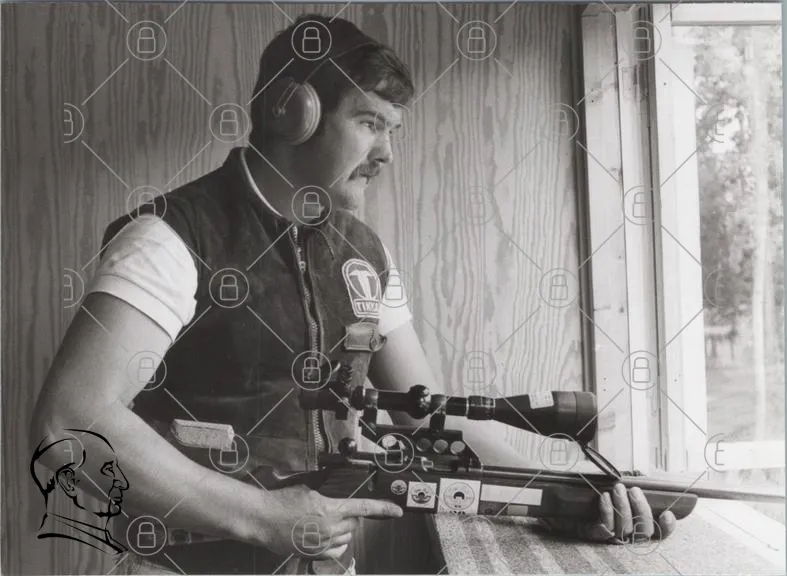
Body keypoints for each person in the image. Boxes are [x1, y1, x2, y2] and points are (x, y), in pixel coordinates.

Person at [30, 13, 676, 575]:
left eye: (393, 129)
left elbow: (427, 417)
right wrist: (261, 516)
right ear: (294, 113)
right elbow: (72, 422)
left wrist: (560, 496)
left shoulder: (364, 252)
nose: (386, 153)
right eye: (370, 123)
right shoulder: (170, 238)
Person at [30, 430, 129, 555]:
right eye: (109, 469)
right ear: (69, 483)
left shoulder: (106, 549)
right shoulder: (64, 551)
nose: (124, 483)